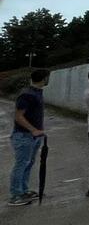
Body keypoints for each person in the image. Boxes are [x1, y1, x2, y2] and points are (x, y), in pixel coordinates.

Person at [8, 68, 49, 206]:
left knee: (28, 163)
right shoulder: (27, 95)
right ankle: (15, 195)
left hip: (32, 136)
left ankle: (23, 191)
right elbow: (18, 117)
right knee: (21, 164)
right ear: (44, 79)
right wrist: (34, 130)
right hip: (24, 136)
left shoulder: (36, 93)